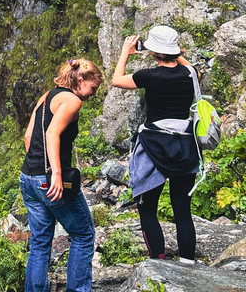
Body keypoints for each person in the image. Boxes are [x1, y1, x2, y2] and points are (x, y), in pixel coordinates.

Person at [112, 25, 198, 263]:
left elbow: (116, 80)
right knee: (182, 209)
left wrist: (125, 52)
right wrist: (172, 53)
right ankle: (188, 264)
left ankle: (158, 262)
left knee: (147, 207)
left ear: (155, 52)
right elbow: (187, 66)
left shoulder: (148, 76)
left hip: (154, 146)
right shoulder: (190, 74)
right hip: (185, 146)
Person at [20, 58, 104, 292]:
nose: (94, 94)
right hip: (51, 181)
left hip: (28, 178)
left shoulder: (46, 96)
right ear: (80, 80)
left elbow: (29, 137)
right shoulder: (72, 101)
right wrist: (54, 173)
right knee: (84, 235)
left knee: (39, 242)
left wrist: (38, 172)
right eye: (93, 87)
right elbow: (51, 133)